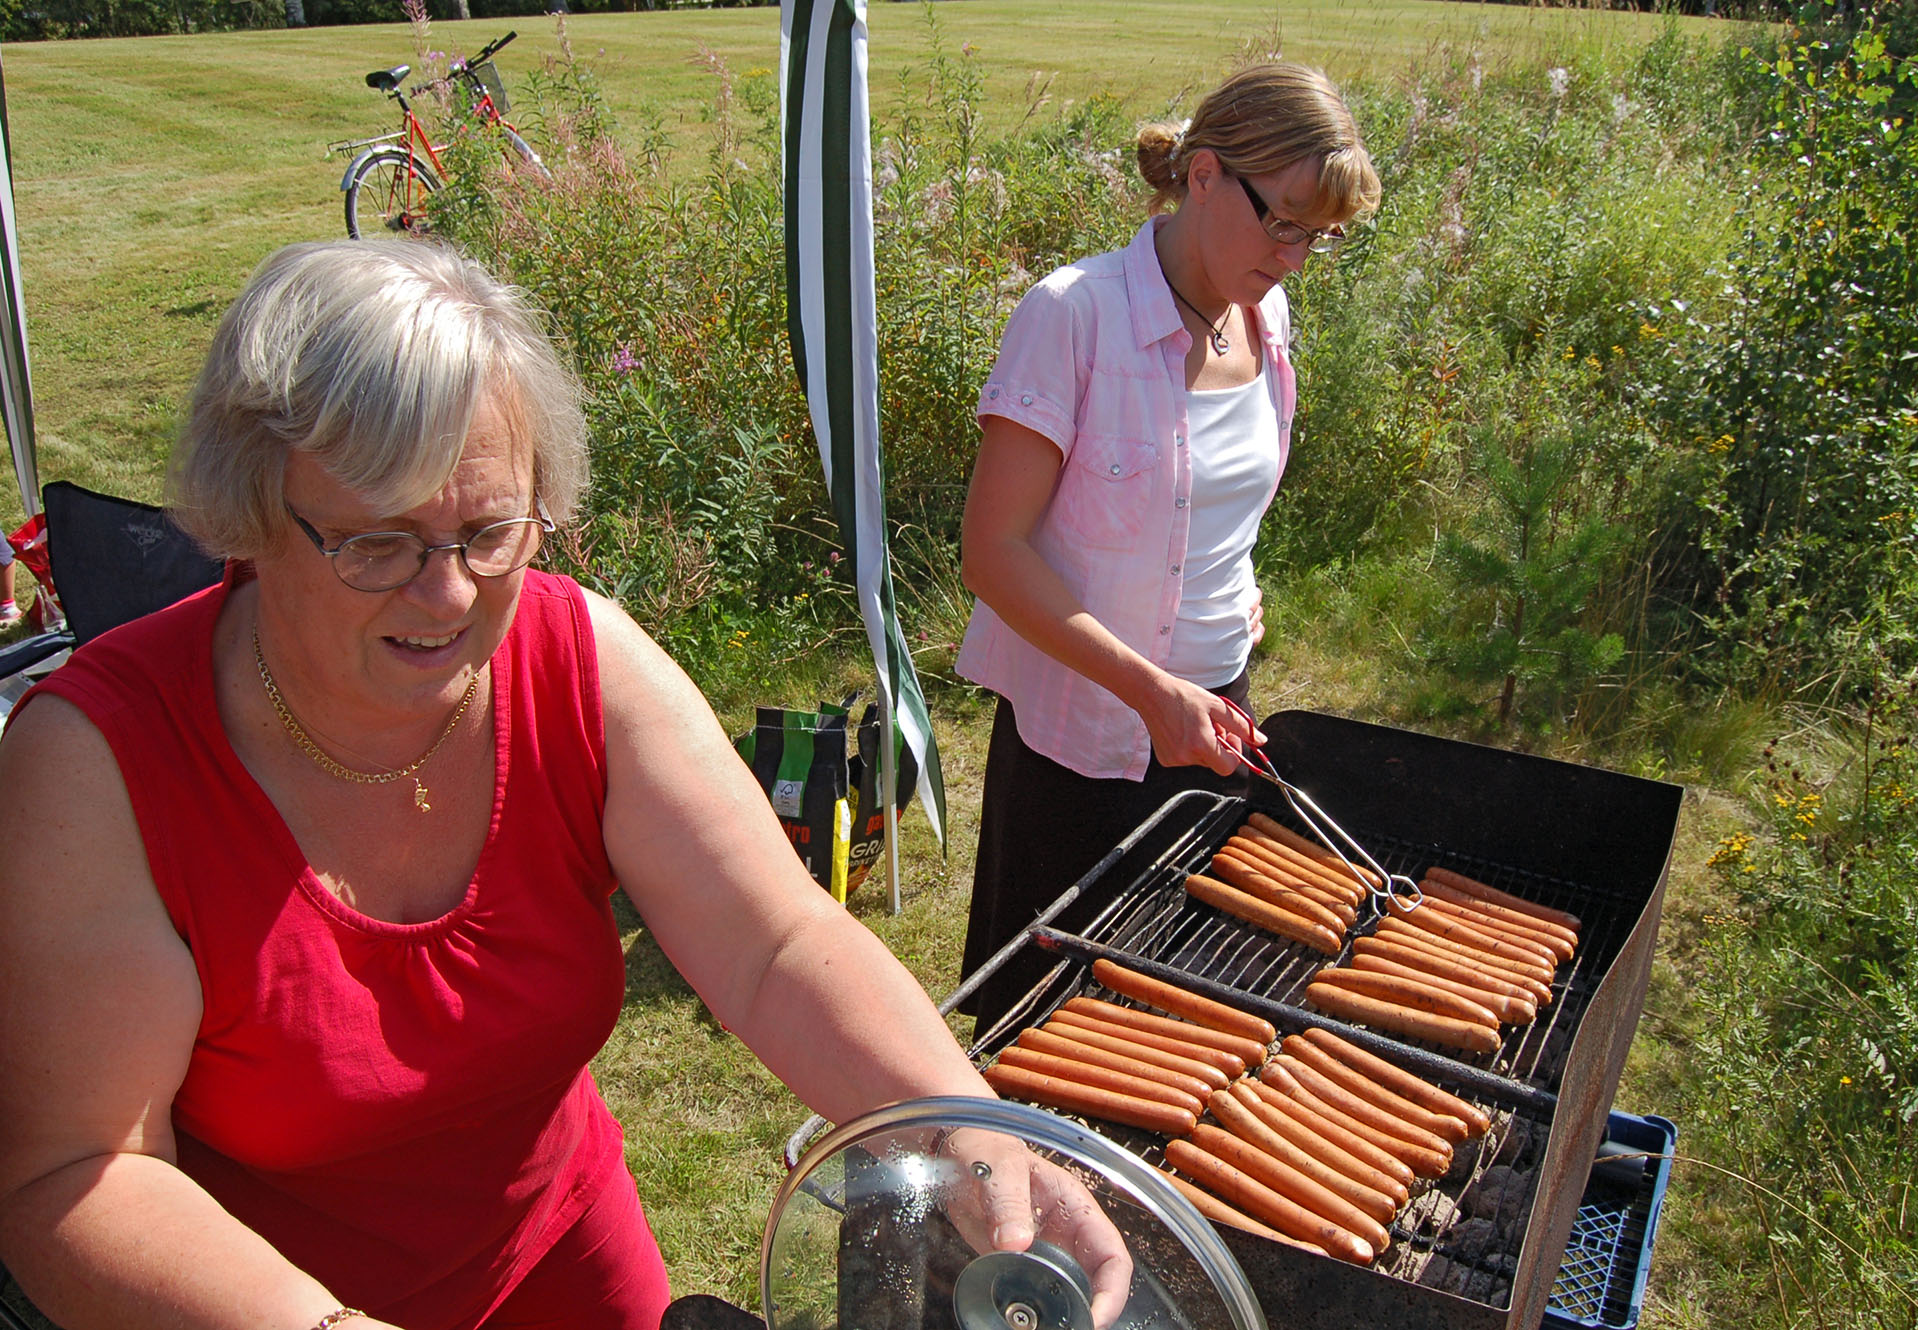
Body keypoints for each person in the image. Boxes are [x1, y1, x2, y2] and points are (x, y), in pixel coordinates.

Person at [0, 240, 1127, 1330]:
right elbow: (79, 1171)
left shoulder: (578, 658)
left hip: (565, 1256)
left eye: (489, 530)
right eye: (379, 544)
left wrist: (965, 1126)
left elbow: (772, 944)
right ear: (251, 514)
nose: (447, 598)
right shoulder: (96, 764)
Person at [954, 63, 1381, 1033]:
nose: (1295, 257)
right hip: (1086, 749)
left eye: (1318, 235)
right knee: (1046, 1028)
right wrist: (1149, 690)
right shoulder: (1073, 317)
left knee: (1183, 1018)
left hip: (1214, 720)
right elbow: (992, 551)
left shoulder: (1265, 317)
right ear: (1200, 174)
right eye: (1280, 221)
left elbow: (1209, 497)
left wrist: (1235, 585)